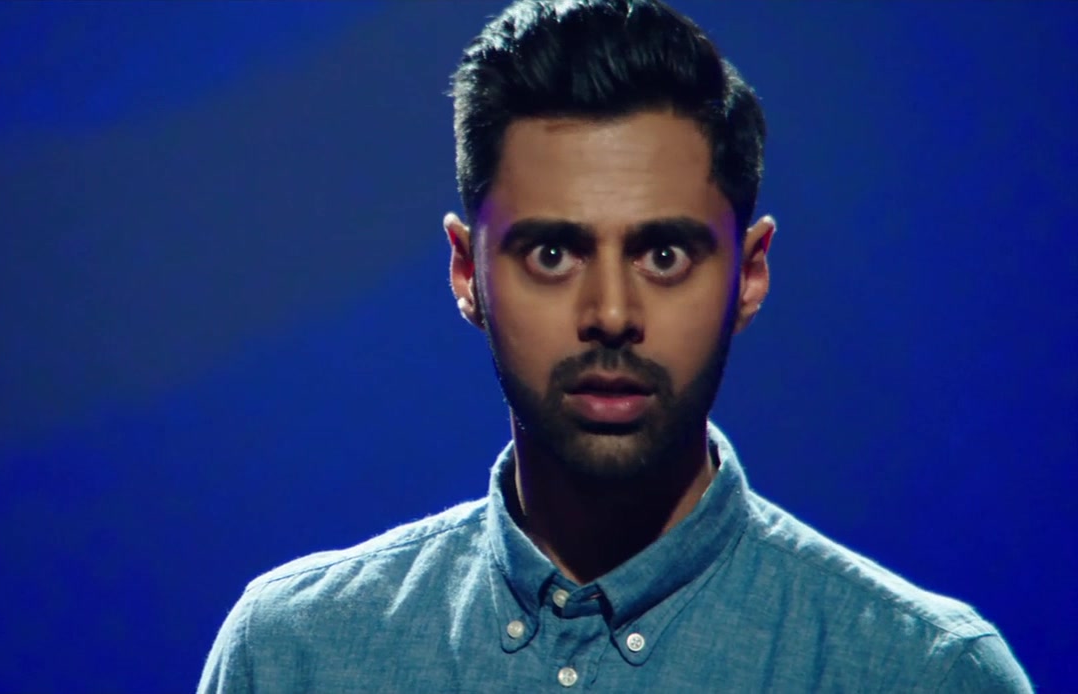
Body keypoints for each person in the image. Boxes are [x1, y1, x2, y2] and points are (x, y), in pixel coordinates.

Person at [197, 0, 1032, 691]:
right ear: (465, 272)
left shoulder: (923, 672)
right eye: (551, 253)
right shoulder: (292, 656)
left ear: (748, 275)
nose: (609, 312)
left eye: (663, 254)